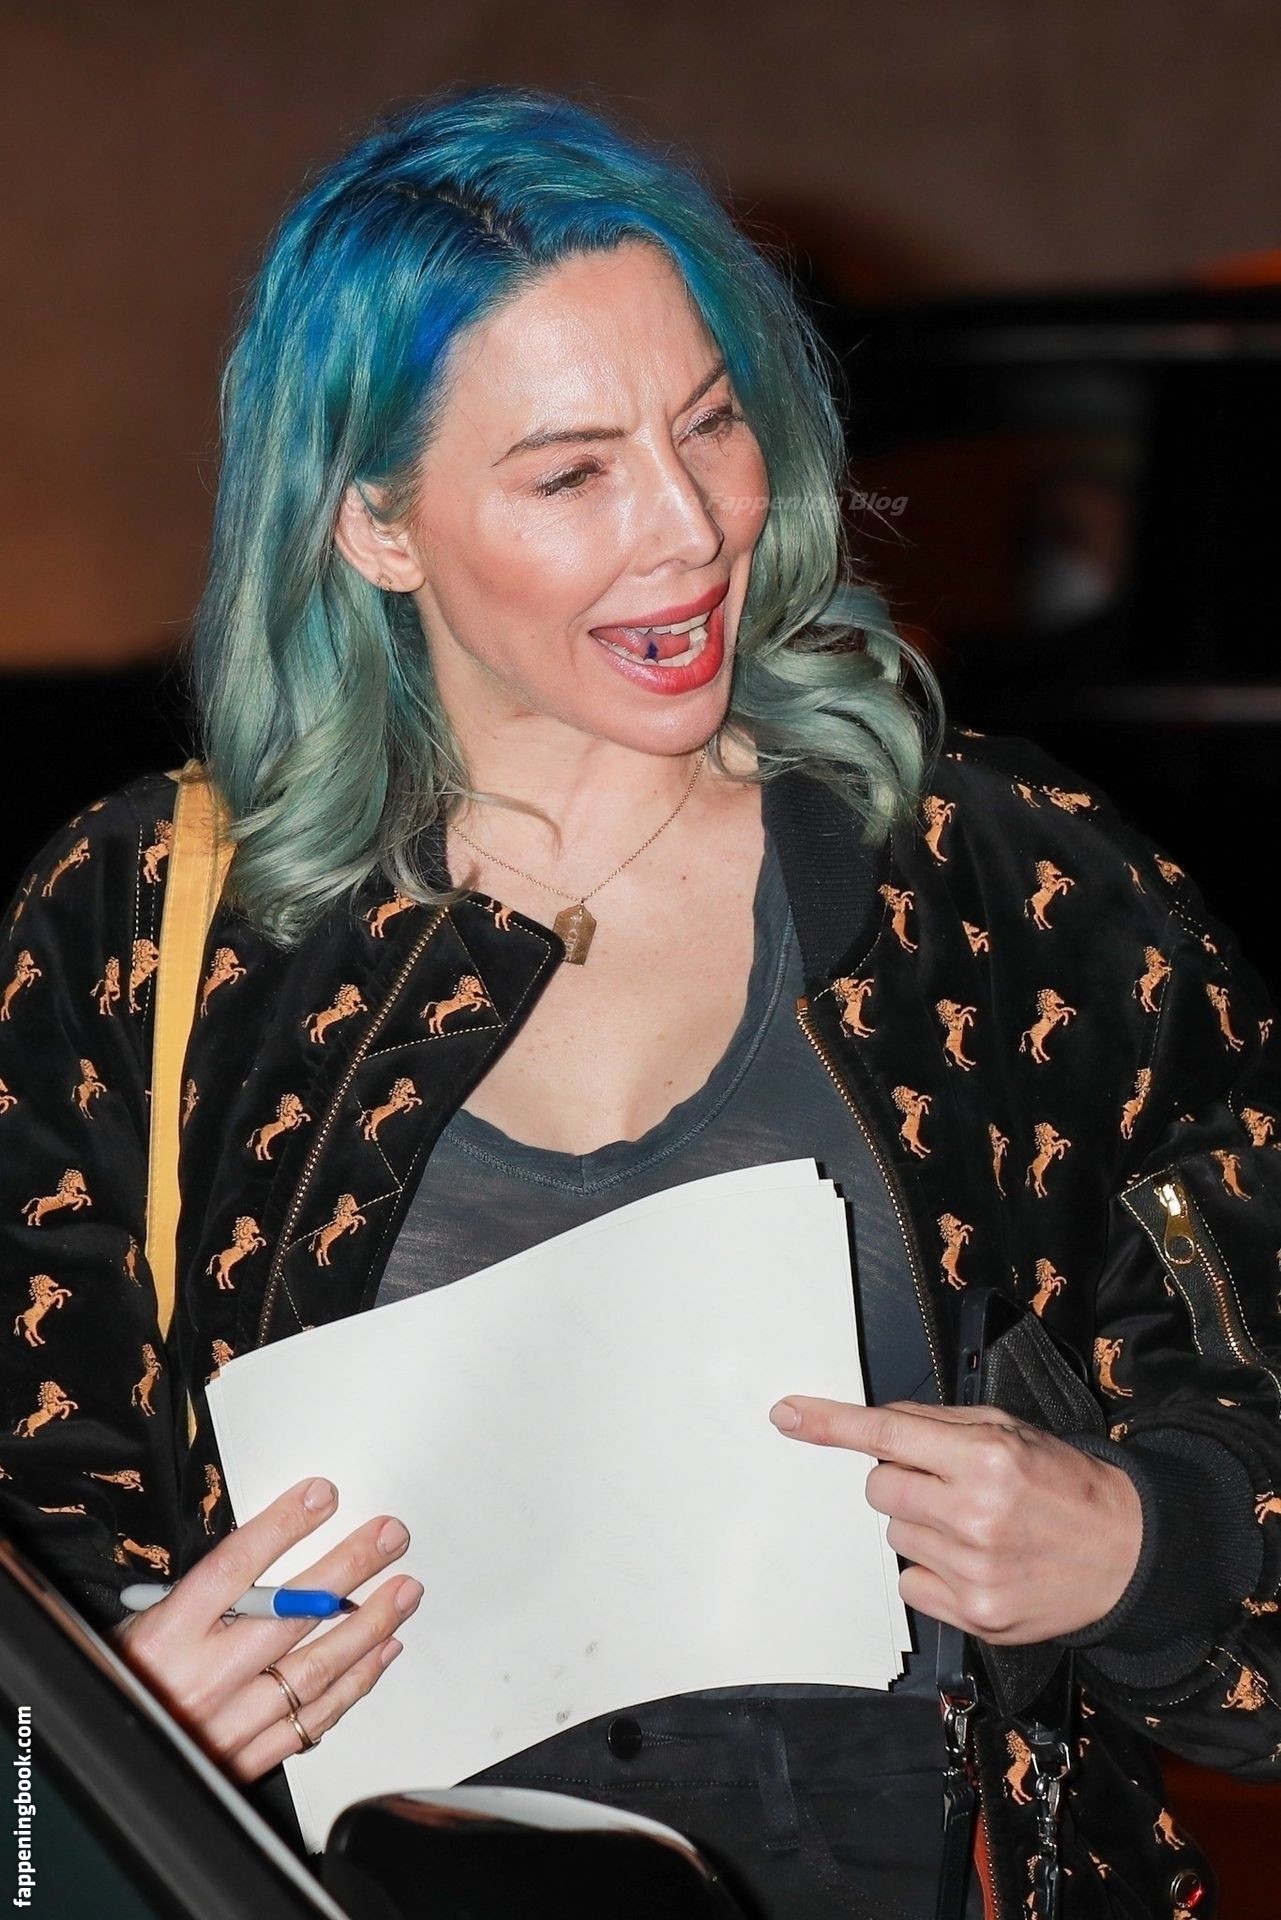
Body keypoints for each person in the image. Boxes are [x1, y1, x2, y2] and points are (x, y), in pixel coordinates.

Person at [2, 84, 1279, 1920]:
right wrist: (103, 1732)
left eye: (710, 425)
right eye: (569, 473)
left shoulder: (1009, 886)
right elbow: (37, 1554)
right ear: (373, 525)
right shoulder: (136, 929)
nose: (688, 529)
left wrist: (1142, 1545)